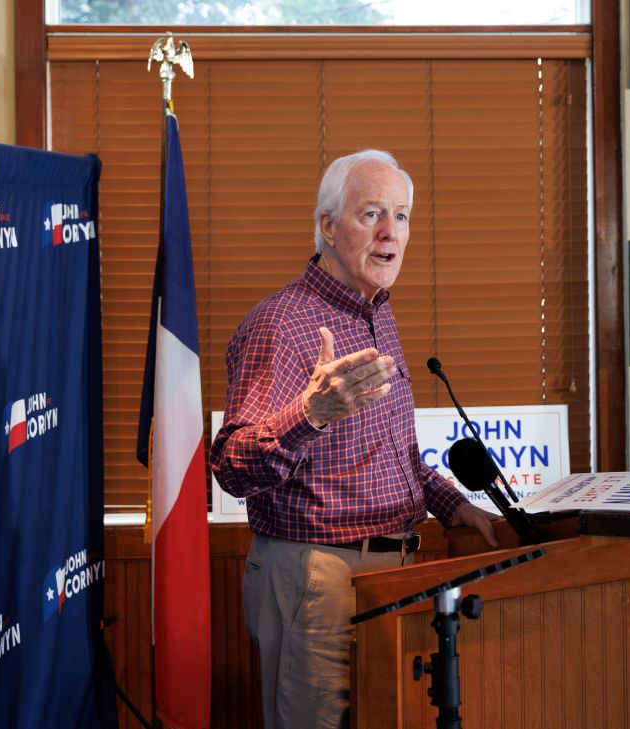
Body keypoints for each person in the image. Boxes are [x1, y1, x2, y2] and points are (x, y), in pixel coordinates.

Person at [209, 149, 499, 729]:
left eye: (403, 215)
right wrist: (310, 414)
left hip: (394, 574)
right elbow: (230, 467)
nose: (392, 231)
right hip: (317, 579)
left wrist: (455, 505)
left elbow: (393, 456)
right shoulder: (282, 324)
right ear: (328, 226)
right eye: (372, 214)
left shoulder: (376, 315)